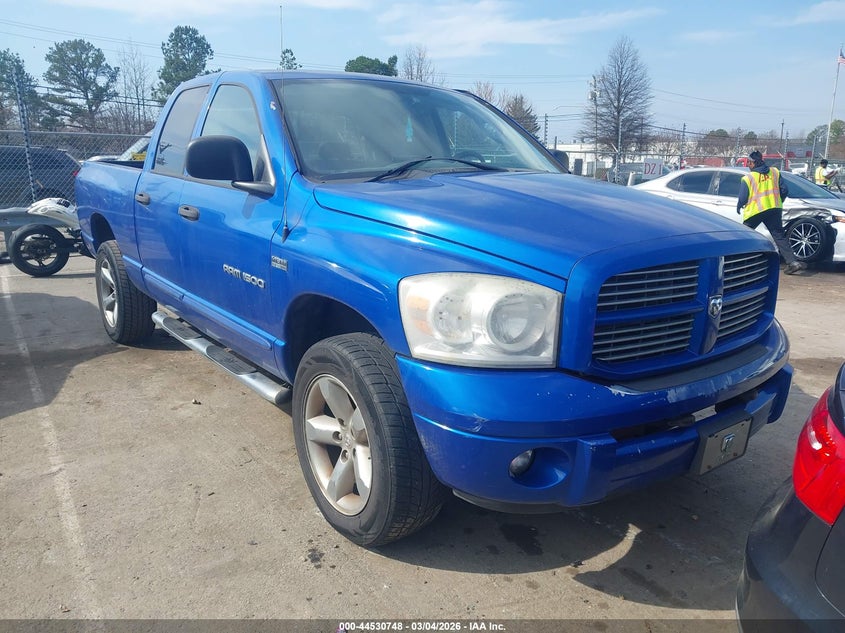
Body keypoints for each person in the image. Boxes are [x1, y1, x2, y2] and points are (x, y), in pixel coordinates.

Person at [737, 150, 806, 275]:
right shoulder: (775, 172)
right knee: (779, 235)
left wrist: (739, 205)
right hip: (774, 208)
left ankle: (739, 263)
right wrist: (779, 201)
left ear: (753, 163)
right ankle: (793, 262)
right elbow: (784, 190)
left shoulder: (748, 178)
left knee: (744, 234)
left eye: (749, 163)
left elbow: (743, 197)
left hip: (756, 210)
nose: (748, 165)